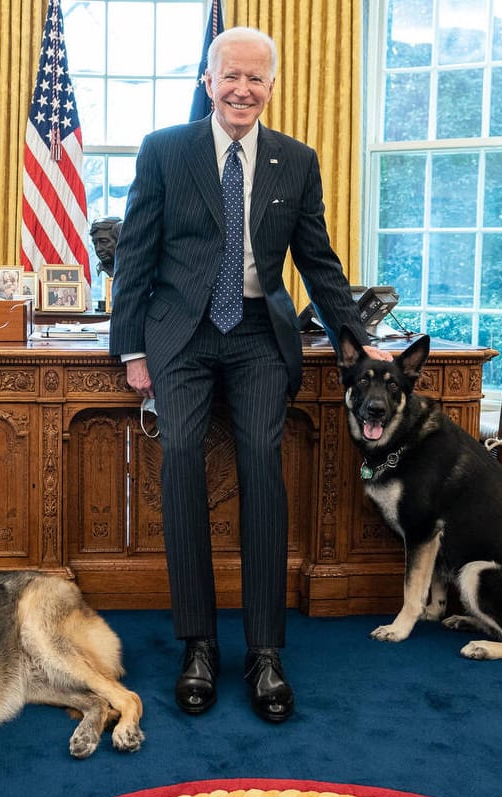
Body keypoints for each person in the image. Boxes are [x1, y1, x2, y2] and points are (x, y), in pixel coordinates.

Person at [108, 26, 389, 724]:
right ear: (208, 80)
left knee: (262, 461)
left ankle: (265, 651)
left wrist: (357, 335)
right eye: (230, 75)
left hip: (262, 335)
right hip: (182, 336)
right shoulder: (165, 151)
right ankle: (198, 644)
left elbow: (317, 262)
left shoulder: (296, 161)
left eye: (256, 78)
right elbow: (135, 255)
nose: (242, 89)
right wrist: (131, 349)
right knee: (179, 458)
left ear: (271, 86)